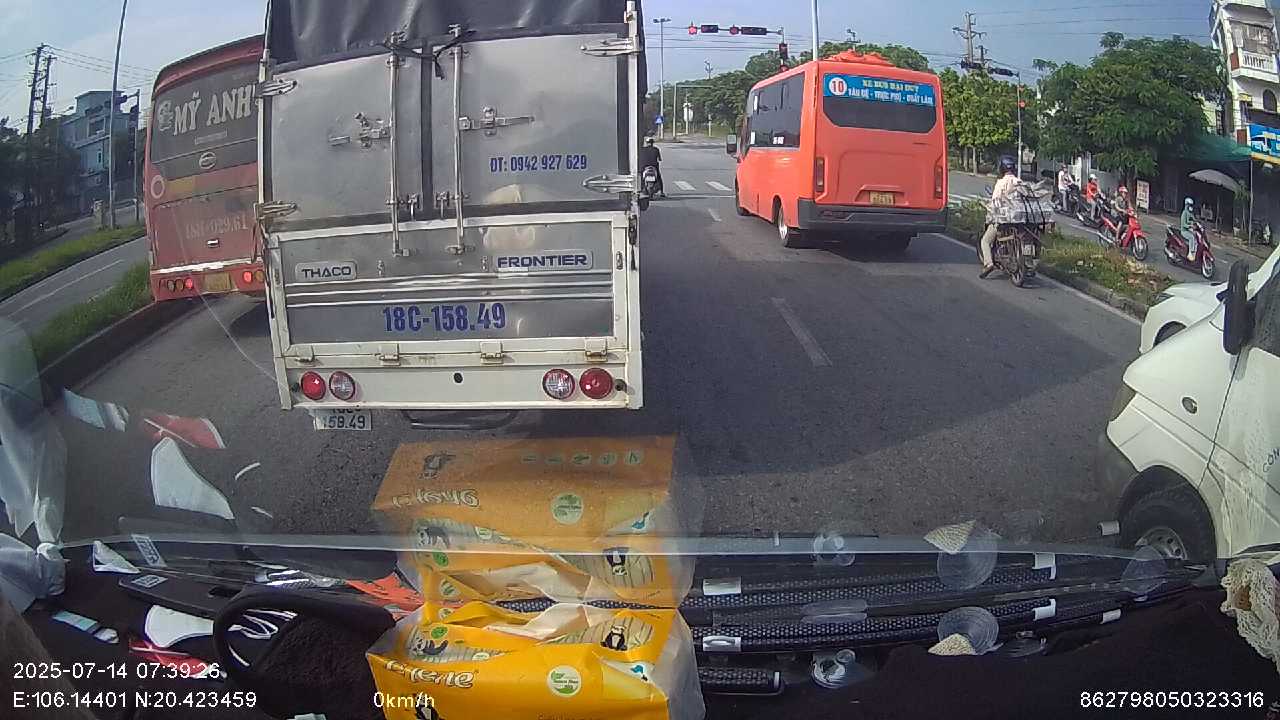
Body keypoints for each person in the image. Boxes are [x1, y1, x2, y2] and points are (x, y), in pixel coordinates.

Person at [979, 156, 1021, 278]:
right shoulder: (1019, 182)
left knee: (985, 241)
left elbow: (995, 201)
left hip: (1003, 219)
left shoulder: (1001, 183)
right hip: (1019, 219)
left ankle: (988, 264)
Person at [1180, 196, 1198, 262]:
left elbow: (1193, 219)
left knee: (1196, 237)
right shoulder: (1184, 213)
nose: (1190, 206)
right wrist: (1191, 226)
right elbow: (1184, 224)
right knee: (1191, 237)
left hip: (1189, 230)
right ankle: (1190, 253)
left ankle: (1195, 252)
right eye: (1189, 205)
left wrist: (1196, 222)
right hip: (1184, 231)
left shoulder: (1189, 213)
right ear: (1186, 205)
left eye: (1191, 205)